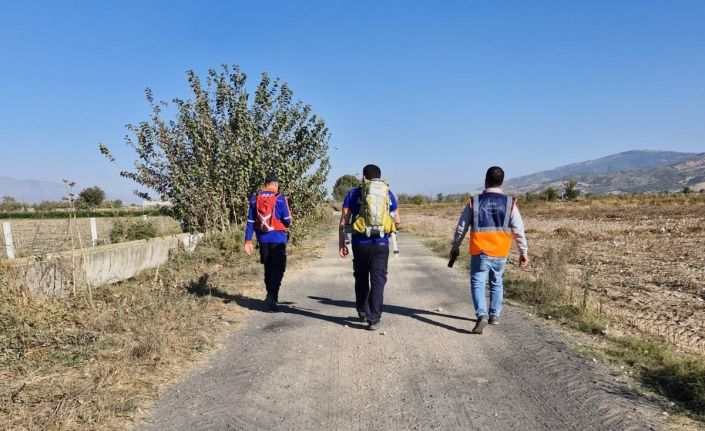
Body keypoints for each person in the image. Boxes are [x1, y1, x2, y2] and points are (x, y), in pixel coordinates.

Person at [449, 166, 529, 334]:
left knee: (478, 282)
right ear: (502, 182)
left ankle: (481, 315)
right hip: (501, 252)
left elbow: (461, 227)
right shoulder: (510, 203)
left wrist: (456, 246)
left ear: (485, 181)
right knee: (497, 282)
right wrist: (523, 252)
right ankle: (495, 315)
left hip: (480, 251)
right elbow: (518, 230)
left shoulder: (475, 201)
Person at [339, 164, 400, 330]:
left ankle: (362, 310)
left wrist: (342, 243)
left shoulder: (353, 193)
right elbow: (397, 220)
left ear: (364, 177)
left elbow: (344, 221)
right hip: (381, 243)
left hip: (360, 244)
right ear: (379, 177)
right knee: (378, 280)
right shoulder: (388, 193)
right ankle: (374, 318)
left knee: (361, 277)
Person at [244, 173, 292, 312]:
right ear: (276, 184)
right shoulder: (280, 198)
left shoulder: (255, 199)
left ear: (265, 184)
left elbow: (251, 222)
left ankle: (270, 294)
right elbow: (287, 220)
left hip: (262, 239)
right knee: (278, 268)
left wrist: (248, 240)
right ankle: (272, 295)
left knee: (268, 267)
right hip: (278, 239)